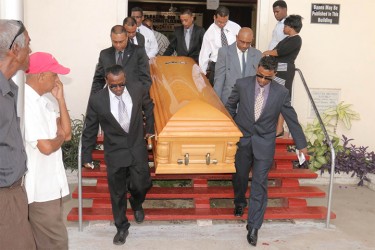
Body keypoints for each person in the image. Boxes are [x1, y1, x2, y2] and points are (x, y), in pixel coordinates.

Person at [225, 56, 307, 247]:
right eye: (259, 76)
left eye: (267, 78)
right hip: (243, 139)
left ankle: (253, 226)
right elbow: (230, 106)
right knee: (240, 176)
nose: (262, 81)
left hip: (264, 143)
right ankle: (239, 201)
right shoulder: (242, 84)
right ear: (257, 69)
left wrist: (301, 144)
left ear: (274, 75)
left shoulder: (281, 93)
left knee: (259, 184)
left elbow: (291, 118)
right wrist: (231, 127)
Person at [82, 65, 155, 246]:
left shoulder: (138, 89)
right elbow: (90, 129)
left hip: (136, 147)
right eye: (113, 86)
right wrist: (86, 156)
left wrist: (150, 129)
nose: (118, 89)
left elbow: (149, 106)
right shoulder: (98, 100)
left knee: (142, 184)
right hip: (115, 152)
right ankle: (121, 227)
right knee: (117, 193)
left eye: (121, 85)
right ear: (107, 82)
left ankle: (136, 203)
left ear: (125, 80)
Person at [24, 52, 71, 250]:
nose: (57, 80)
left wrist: (60, 100)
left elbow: (67, 134)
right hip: (41, 191)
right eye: (54, 74)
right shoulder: (27, 103)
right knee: (56, 243)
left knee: (46, 242)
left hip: (51, 186)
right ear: (41, 75)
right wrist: (58, 138)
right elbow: (46, 147)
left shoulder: (43, 102)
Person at [0, 19, 36, 249]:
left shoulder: (8, 88)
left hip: (13, 193)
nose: (31, 50)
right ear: (15, 49)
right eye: (29, 44)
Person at [263, 14, 303, 136]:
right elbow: (277, 51)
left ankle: (279, 128)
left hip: (285, 72)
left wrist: (267, 52)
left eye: (285, 26)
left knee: (282, 98)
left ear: (291, 27)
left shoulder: (296, 39)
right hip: (278, 70)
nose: (283, 28)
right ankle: (275, 127)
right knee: (273, 97)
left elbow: (279, 51)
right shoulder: (287, 39)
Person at [91, 25, 151, 95]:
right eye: (115, 42)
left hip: (134, 97)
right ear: (111, 38)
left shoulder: (138, 52)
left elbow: (145, 79)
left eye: (121, 41)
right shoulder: (104, 54)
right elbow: (98, 81)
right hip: (112, 98)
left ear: (126, 37)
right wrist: (93, 101)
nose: (118, 45)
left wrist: (139, 99)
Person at [214, 27, 262, 105]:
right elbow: (219, 80)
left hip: (249, 101)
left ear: (252, 40)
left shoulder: (257, 54)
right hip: (229, 99)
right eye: (242, 42)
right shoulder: (224, 52)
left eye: (248, 43)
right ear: (236, 37)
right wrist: (216, 102)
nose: (244, 45)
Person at [199, 6, 241, 85]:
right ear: (214, 17)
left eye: (225, 22)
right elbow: (204, 53)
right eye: (219, 22)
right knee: (216, 90)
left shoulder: (236, 27)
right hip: (217, 66)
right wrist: (202, 73)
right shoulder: (209, 33)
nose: (222, 24)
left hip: (233, 63)